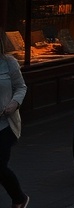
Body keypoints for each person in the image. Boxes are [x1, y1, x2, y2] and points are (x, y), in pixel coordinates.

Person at [0, 34, 28, 208]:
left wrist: (14, 103)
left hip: (5, 123)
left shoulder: (8, 62)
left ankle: (19, 198)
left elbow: (20, 86)